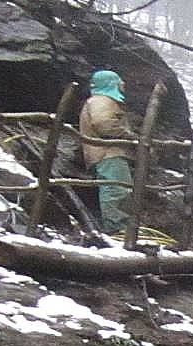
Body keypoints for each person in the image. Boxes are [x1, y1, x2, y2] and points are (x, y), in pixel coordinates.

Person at [79, 69, 135, 236]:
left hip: (107, 152)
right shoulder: (102, 100)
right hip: (107, 153)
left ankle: (119, 228)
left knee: (119, 189)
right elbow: (103, 123)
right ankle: (116, 230)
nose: (123, 85)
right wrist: (128, 136)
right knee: (115, 190)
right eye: (119, 81)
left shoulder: (100, 101)